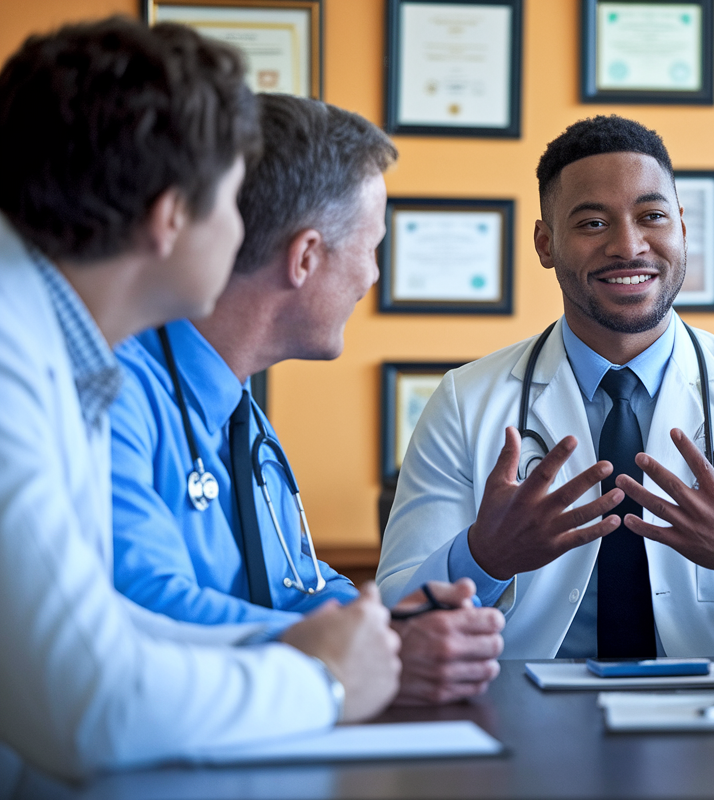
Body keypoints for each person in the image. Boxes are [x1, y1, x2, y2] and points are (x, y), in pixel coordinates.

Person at [0, 19, 400, 782]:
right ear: (171, 216)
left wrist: (343, 645)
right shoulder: (14, 349)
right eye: (231, 201)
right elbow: (91, 704)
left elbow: (114, 629)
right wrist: (324, 682)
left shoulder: (56, 342)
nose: (245, 228)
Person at [378, 115, 714, 659]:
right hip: (524, 711)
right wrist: (482, 558)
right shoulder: (464, 402)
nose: (629, 245)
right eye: (593, 223)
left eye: (652, 216)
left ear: (682, 229)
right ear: (545, 244)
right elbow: (393, 611)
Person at [108, 93, 504, 706]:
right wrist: (367, 654)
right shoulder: (116, 391)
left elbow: (294, 583)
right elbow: (142, 602)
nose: (373, 276)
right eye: (371, 248)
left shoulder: (244, 418)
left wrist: (390, 622)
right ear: (307, 257)